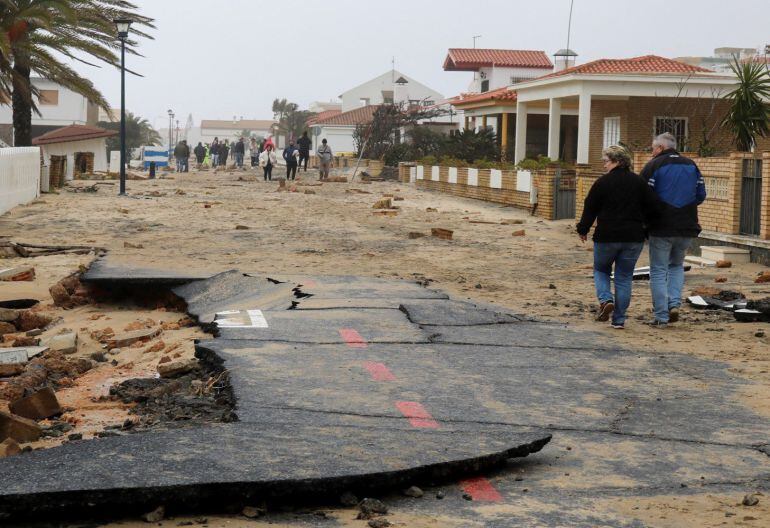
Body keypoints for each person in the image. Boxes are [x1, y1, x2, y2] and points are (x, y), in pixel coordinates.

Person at [576, 146, 659, 330]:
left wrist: (583, 228)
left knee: (601, 270)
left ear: (617, 161)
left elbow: (590, 206)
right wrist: (646, 228)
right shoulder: (639, 183)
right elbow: (653, 207)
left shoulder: (602, 183)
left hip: (607, 236)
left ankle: (605, 300)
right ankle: (619, 320)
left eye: (606, 161)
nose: (604, 165)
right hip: (633, 237)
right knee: (624, 277)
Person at [640, 132, 707, 328]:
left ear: (660, 148)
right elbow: (701, 195)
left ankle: (661, 315)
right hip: (687, 226)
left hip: (660, 227)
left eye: (653, 148)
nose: (652, 152)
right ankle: (674, 304)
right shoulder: (691, 165)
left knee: (659, 270)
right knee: (676, 266)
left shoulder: (653, 166)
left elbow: (643, 196)